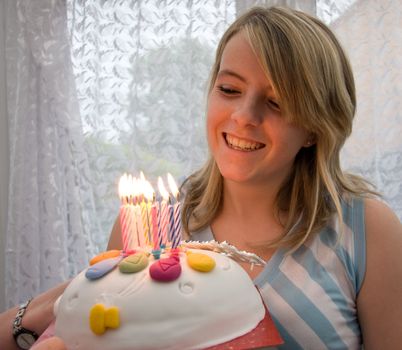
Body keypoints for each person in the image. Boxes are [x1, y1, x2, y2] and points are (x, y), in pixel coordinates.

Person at [1, 5, 402, 350]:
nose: (244, 115)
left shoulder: (365, 229)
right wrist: (45, 310)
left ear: (316, 127)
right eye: (229, 89)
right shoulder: (150, 229)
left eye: (277, 101)